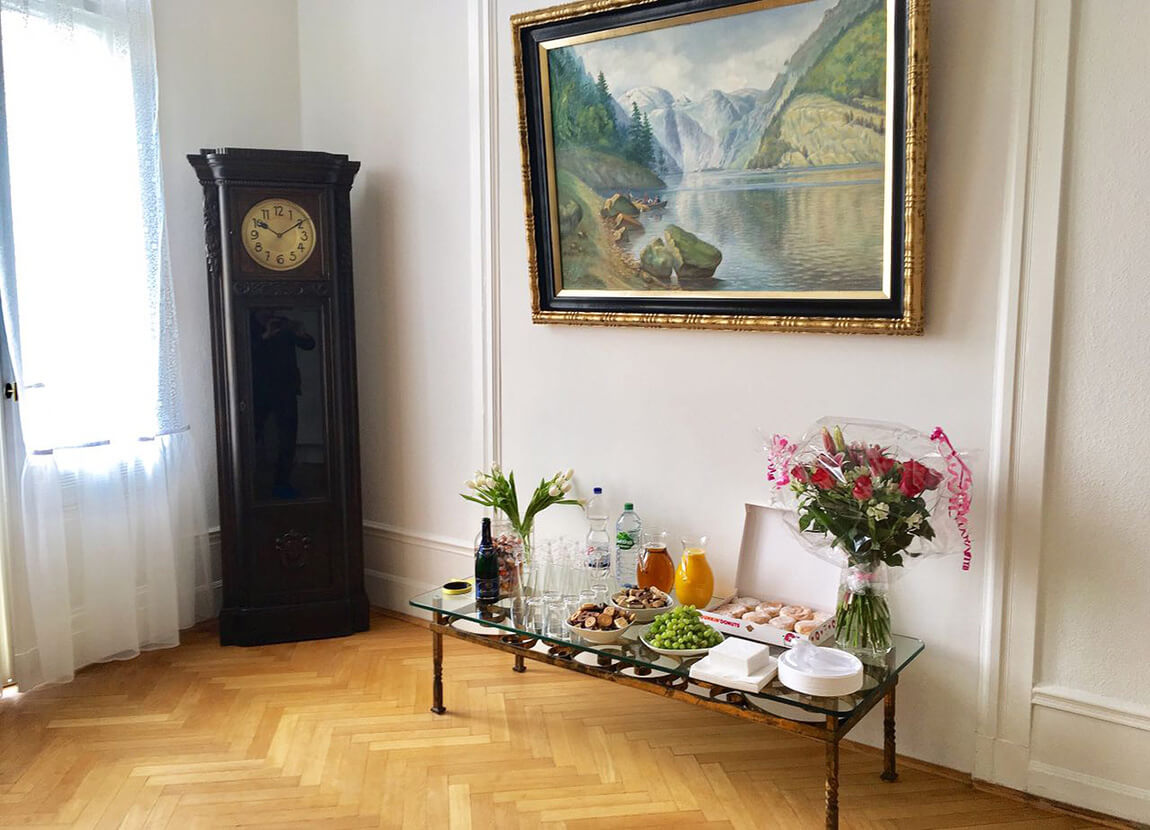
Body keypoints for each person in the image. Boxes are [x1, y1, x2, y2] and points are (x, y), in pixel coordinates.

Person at [250, 309, 316, 499]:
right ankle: (244, 481)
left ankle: (282, 482)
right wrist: (265, 336)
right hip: (256, 391)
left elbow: (309, 345)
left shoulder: (282, 324)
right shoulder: (246, 324)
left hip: (286, 389)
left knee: (288, 438)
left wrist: (301, 333)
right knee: (250, 434)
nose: (269, 311)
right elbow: (243, 352)